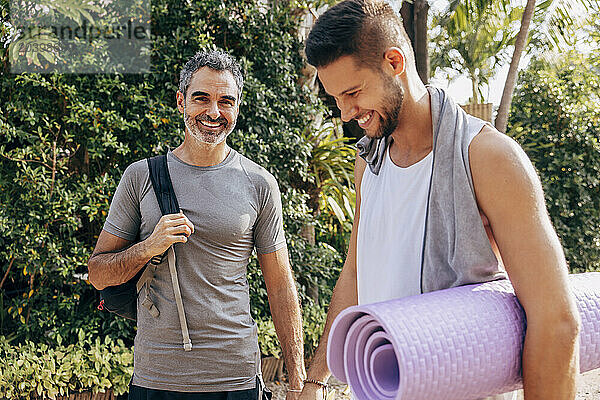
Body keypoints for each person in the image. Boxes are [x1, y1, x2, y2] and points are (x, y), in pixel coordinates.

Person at [298, 1, 581, 399]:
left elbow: (556, 321)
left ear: (394, 62)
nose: (346, 114)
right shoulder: (368, 162)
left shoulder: (487, 158)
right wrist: (313, 382)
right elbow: (355, 274)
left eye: (353, 93)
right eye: (336, 99)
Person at [88, 50, 306, 400]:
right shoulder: (141, 176)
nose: (214, 112)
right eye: (201, 98)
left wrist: (297, 379)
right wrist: (148, 247)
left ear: (237, 108)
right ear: (181, 102)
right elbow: (98, 274)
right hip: (156, 377)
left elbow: (280, 284)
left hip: (236, 378)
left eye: (226, 101)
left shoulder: (259, 183)